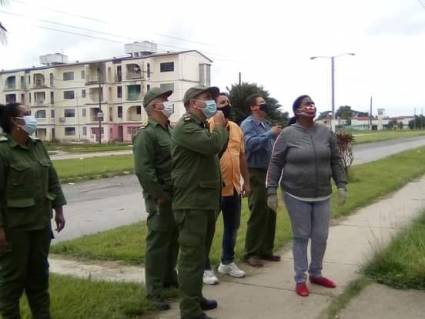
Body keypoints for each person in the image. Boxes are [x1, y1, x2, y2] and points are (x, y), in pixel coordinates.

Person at [266, 95, 348, 297]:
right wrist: (271, 191)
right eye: (306, 104)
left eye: (312, 103)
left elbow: (336, 160)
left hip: (322, 194)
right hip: (296, 193)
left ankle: (316, 273)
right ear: (296, 111)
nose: (311, 106)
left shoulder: (325, 132)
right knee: (301, 236)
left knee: (321, 236)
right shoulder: (287, 134)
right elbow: (276, 163)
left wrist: (341, 184)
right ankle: (300, 279)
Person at [0, 103, 66, 319]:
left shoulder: (38, 146)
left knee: (39, 276)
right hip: (15, 228)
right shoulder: (3, 151)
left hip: (40, 222)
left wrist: (58, 208)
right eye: (26, 115)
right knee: (13, 280)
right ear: (13, 121)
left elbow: (52, 178)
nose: (31, 119)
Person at [171, 86, 228, 319]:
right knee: (191, 259)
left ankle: (195, 298)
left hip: (204, 200)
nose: (212, 102)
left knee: (200, 256)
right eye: (207, 99)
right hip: (192, 202)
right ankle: (189, 310)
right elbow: (212, 146)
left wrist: (217, 129)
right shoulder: (186, 126)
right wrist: (221, 126)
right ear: (194, 103)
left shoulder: (200, 126)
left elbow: (216, 149)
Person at [133, 87, 178, 310]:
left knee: (173, 241)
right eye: (164, 100)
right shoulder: (146, 134)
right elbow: (143, 170)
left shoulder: (169, 131)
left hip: (176, 195)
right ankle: (154, 291)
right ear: (153, 106)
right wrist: (159, 195)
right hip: (161, 197)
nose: (168, 103)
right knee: (158, 244)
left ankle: (170, 279)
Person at [203, 93, 251, 285]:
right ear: (213, 106)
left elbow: (241, 157)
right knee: (207, 230)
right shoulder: (207, 126)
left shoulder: (237, 128)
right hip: (213, 189)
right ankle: (204, 268)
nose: (227, 105)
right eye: (222, 103)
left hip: (233, 188)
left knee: (232, 227)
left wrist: (246, 182)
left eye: (228, 102)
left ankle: (227, 262)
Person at [240, 94, 282, 267]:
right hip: (255, 172)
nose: (265, 105)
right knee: (258, 211)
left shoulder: (264, 125)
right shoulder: (247, 124)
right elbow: (248, 145)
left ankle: (266, 250)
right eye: (261, 103)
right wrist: (269, 134)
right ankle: (251, 252)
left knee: (270, 210)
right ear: (253, 107)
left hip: (269, 173)